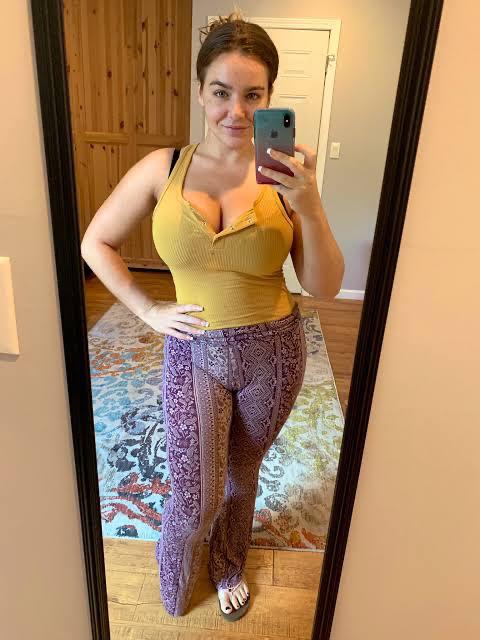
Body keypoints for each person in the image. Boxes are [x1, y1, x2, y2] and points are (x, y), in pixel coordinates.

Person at [81, 6, 343, 623]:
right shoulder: (163, 168)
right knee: (194, 491)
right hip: (193, 348)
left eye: (253, 95)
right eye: (222, 92)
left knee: (241, 475)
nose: (237, 111)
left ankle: (227, 563)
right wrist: (148, 310)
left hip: (274, 352)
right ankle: (176, 576)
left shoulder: (286, 176)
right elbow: (96, 242)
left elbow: (325, 285)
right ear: (200, 91)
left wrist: (309, 205)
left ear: (271, 99)